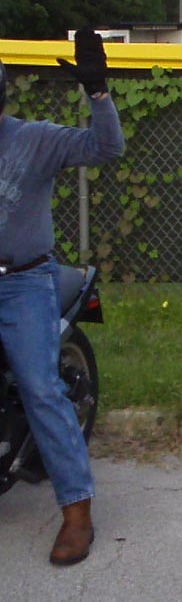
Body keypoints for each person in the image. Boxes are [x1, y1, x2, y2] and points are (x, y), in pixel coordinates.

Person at [0, 28, 124, 566]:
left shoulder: (34, 139)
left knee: (40, 387)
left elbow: (106, 148)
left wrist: (98, 93)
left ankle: (77, 512)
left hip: (23, 281)